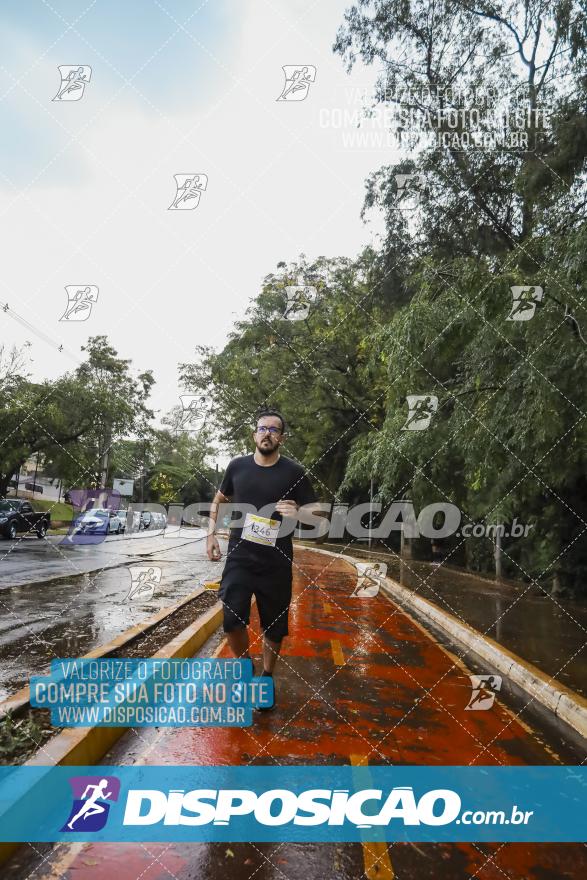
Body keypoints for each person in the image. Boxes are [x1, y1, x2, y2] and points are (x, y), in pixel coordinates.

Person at [206, 409, 317, 710]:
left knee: (275, 625)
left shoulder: (293, 472)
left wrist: (300, 514)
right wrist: (211, 534)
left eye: (274, 429)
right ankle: (246, 670)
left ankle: (266, 675)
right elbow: (219, 499)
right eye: (262, 428)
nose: (267, 433)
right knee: (231, 620)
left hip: (276, 561)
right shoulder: (237, 467)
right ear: (254, 434)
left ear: (282, 437)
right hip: (240, 557)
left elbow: (321, 516)